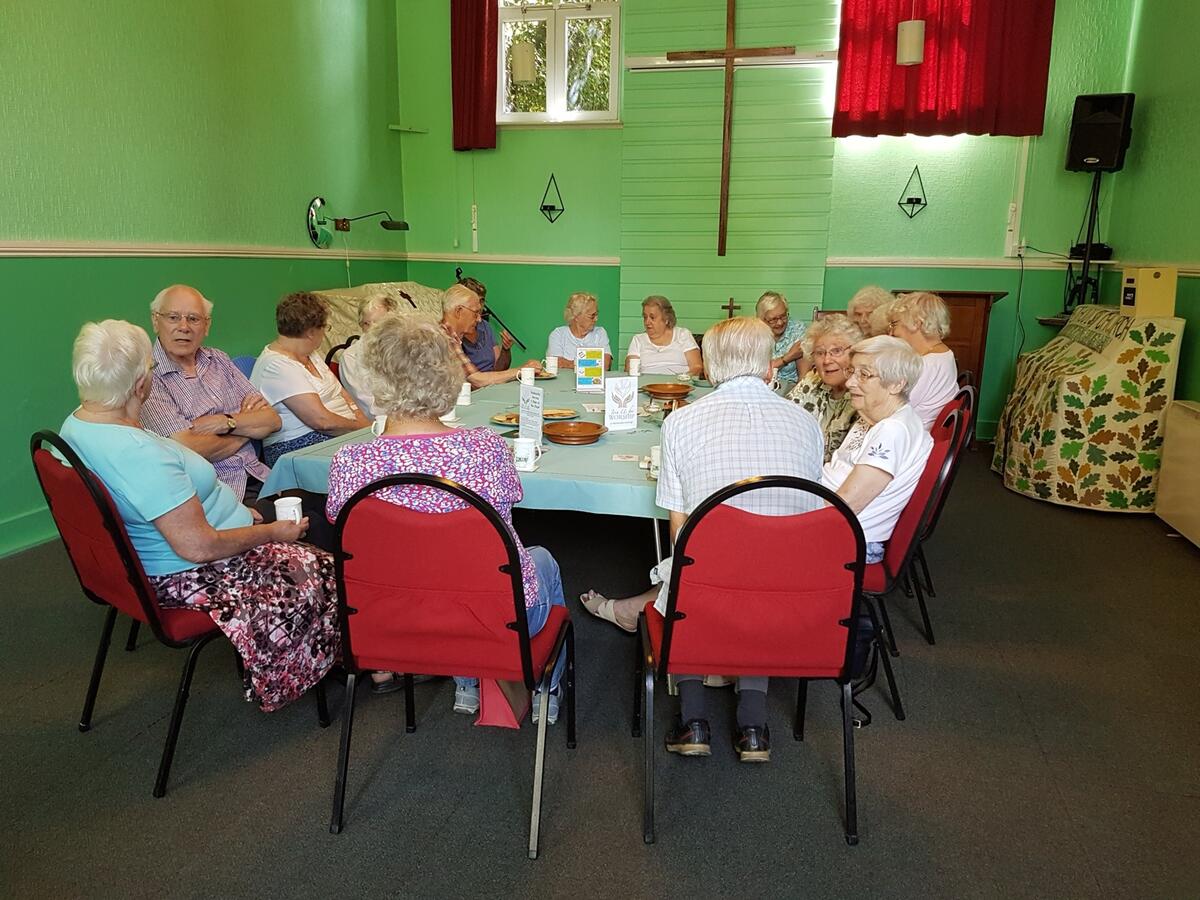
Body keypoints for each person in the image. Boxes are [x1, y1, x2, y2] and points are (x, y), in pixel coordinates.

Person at [59, 320, 339, 712]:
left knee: (301, 500)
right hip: (194, 573)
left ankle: (319, 645)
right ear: (141, 384)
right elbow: (198, 545)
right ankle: (320, 661)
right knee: (324, 548)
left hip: (145, 563)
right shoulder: (139, 454)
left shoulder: (77, 424)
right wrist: (273, 531)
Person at [581, 317, 824, 762]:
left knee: (689, 570)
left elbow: (680, 532)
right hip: (786, 592)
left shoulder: (681, 424)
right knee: (763, 569)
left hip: (708, 588)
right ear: (771, 368)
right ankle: (754, 726)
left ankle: (693, 719)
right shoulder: (807, 425)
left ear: (710, 371)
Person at [326, 315, 568, 722]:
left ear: (378, 381)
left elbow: (350, 533)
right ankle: (545, 688)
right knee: (540, 558)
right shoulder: (485, 448)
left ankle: (467, 685)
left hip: (388, 621)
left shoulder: (349, 461)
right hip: (490, 619)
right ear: (446, 378)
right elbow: (505, 513)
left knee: (429, 571)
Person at [139, 285, 281, 502]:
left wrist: (224, 422)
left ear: (207, 326)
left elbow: (271, 420)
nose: (184, 327)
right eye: (174, 317)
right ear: (155, 321)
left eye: (194, 319)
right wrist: (245, 432)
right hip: (213, 496)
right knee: (313, 525)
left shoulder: (219, 360)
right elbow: (188, 449)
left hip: (259, 476)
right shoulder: (148, 375)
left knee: (324, 505)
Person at [820, 336, 934, 564]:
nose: (850, 382)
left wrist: (792, 513)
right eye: (852, 371)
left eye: (864, 374)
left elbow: (845, 506)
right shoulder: (876, 417)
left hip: (848, 539)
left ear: (896, 384)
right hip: (837, 523)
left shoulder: (892, 431)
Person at [251, 292, 372, 467]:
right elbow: (322, 422)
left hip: (341, 433)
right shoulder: (276, 366)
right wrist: (364, 429)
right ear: (310, 332)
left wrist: (363, 423)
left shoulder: (310, 354)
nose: (324, 333)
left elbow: (341, 393)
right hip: (298, 446)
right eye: (325, 327)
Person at [787, 314, 864, 462]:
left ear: (854, 352)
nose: (827, 360)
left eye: (837, 351)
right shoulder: (812, 380)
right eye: (820, 353)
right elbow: (784, 418)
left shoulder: (862, 393)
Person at [440, 283, 542, 389]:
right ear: (458, 311)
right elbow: (476, 380)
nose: (479, 319)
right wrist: (523, 370)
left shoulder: (453, 336)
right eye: (475, 313)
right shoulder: (443, 337)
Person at [886, 292, 958, 429]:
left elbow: (892, 409)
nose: (891, 333)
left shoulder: (926, 365)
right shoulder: (944, 354)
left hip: (913, 434)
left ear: (917, 323)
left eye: (894, 324)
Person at [338, 293, 399, 416]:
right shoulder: (350, 358)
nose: (371, 329)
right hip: (379, 423)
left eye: (377, 323)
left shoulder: (403, 349)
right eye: (366, 323)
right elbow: (367, 406)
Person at [624, 296, 703, 376]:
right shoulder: (638, 340)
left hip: (679, 385)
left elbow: (697, 367)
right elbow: (630, 370)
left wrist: (684, 378)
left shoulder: (682, 334)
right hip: (646, 386)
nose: (647, 322)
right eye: (645, 317)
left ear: (666, 319)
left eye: (652, 317)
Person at [457, 276, 514, 373]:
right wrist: (517, 371)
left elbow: (499, 369)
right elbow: (473, 380)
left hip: (492, 383)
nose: (479, 306)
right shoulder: (455, 332)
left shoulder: (485, 326)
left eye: (482, 301)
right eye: (474, 301)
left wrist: (505, 349)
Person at [546, 291, 612, 370]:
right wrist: (593, 363)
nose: (596, 319)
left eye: (597, 314)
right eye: (592, 316)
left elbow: (605, 365)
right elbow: (556, 363)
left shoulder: (600, 333)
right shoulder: (558, 334)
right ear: (576, 316)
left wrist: (570, 363)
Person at [755, 290, 808, 385]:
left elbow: (803, 378)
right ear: (762, 319)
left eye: (783, 316)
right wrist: (788, 357)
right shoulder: (753, 333)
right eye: (773, 319)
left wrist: (795, 397)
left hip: (789, 388)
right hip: (760, 386)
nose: (780, 322)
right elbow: (754, 371)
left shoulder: (798, 330)